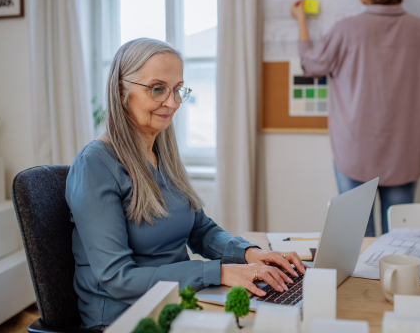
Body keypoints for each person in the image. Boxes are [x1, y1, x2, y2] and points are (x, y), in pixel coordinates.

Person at [66, 38, 306, 330]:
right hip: (124, 317)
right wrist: (217, 273)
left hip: (180, 299)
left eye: (178, 90)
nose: (172, 102)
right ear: (121, 90)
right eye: (157, 89)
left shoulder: (161, 151)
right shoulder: (95, 164)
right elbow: (118, 278)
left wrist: (249, 254)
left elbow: (199, 229)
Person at [290, 0, 420, 237]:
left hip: (353, 151)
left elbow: (312, 65)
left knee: (357, 243)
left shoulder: (345, 29)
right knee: (398, 243)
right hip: (405, 153)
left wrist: (301, 21)